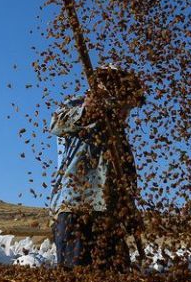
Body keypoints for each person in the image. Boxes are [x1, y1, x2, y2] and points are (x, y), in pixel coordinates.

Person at [49, 65, 145, 269]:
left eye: (128, 108)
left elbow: (126, 180)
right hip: (76, 209)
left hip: (110, 216)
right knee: (77, 278)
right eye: (123, 105)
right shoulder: (78, 106)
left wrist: (130, 212)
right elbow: (56, 125)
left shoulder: (120, 139)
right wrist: (88, 111)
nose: (125, 112)